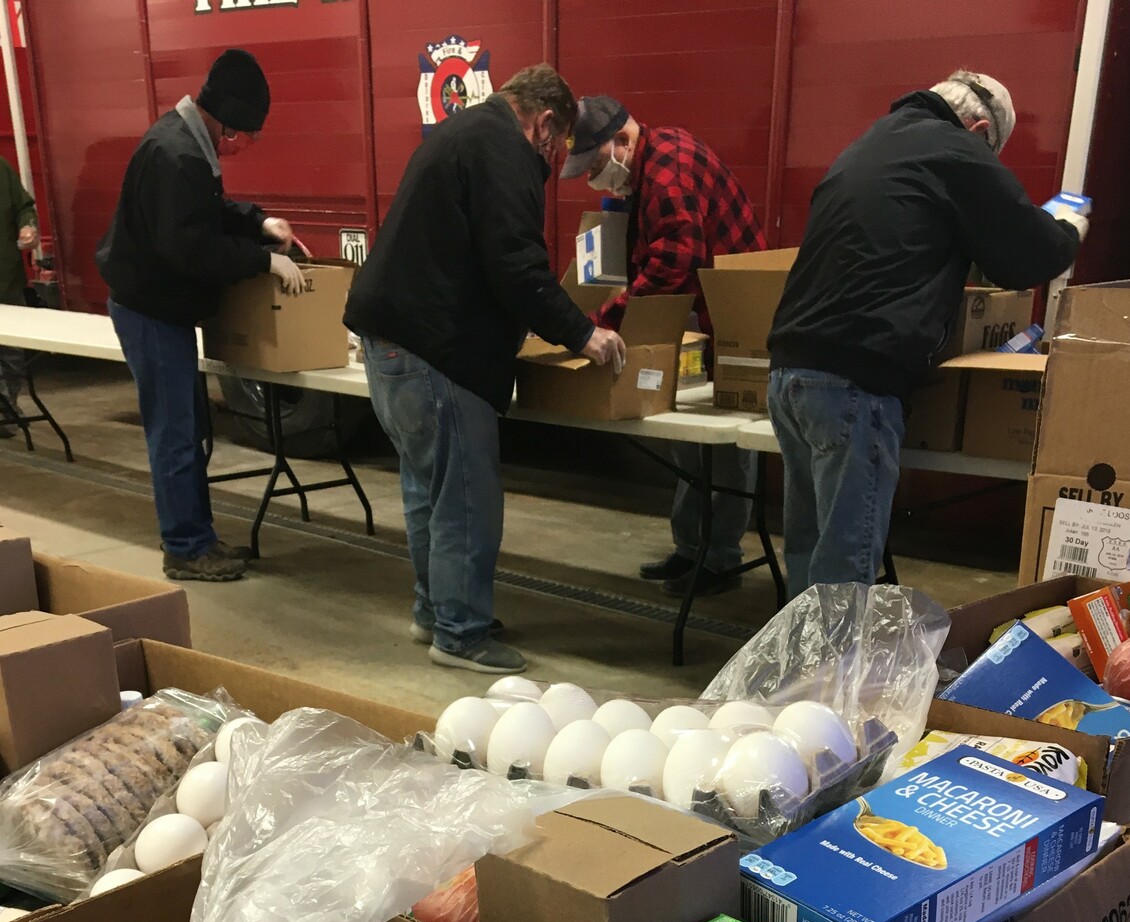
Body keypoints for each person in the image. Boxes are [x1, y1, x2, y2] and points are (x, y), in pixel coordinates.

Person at [346, 65, 625, 676]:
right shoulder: (503, 148)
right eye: (558, 145)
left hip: (390, 345)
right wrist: (585, 334)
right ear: (544, 122)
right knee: (468, 500)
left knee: (430, 492)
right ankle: (462, 633)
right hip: (436, 353)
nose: (555, 162)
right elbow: (516, 266)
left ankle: (436, 611)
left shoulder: (463, 133)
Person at [768, 70, 1087, 594]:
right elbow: (1028, 255)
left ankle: (801, 669)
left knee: (809, 551)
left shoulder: (872, 142)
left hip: (790, 372)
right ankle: (833, 674)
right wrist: (1070, 229)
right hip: (855, 380)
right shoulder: (958, 151)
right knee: (845, 572)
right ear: (980, 130)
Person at [97, 49, 304, 583]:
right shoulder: (178, 155)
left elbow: (205, 213)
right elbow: (189, 249)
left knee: (189, 428)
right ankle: (186, 548)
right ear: (227, 119)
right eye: (245, 134)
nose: (243, 145)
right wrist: (264, 260)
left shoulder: (185, 140)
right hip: (151, 312)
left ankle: (199, 537)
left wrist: (260, 223)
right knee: (175, 434)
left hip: (159, 307)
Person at [562, 97, 766, 598]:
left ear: (624, 142)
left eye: (595, 166)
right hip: (707, 309)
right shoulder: (652, 163)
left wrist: (603, 321)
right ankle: (691, 548)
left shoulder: (667, 169)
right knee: (689, 437)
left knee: (726, 440)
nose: (595, 178)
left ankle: (719, 557)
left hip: (737, 314)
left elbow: (675, 260)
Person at [0, 155, 37, 437]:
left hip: (6, 278)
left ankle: (8, 406)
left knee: (12, 352)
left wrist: (28, 225)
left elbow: (23, 205)